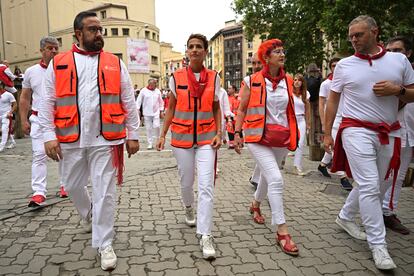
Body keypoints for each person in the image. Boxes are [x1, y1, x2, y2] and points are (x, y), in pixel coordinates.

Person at [39, 11, 140, 271]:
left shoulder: (115, 63)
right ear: (78, 34)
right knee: (71, 185)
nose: (99, 34)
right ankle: (92, 215)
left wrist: (134, 135)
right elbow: (47, 101)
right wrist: (48, 136)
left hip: (106, 139)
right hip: (70, 138)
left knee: (105, 190)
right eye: (93, 29)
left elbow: (128, 100)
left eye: (100, 29)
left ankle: (104, 242)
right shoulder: (59, 62)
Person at [324, 15, 414, 270]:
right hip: (355, 129)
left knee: (381, 184)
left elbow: (412, 92)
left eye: (359, 35)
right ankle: (379, 245)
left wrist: (397, 91)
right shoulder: (344, 65)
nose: (353, 39)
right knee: (369, 183)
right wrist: (329, 133)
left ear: (375, 32)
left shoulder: (399, 60)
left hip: (390, 130)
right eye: (351, 36)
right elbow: (332, 100)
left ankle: (344, 217)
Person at [156, 33, 222, 260]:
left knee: (206, 186)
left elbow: (216, 108)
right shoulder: (176, 77)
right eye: (191, 47)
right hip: (182, 138)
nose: (194, 50)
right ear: (187, 51)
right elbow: (171, 108)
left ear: (205, 52)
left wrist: (220, 133)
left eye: (199, 47)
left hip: (206, 138)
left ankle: (205, 235)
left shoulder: (214, 77)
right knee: (187, 182)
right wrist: (162, 134)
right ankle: (187, 207)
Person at [234, 39, 299, 256]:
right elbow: (241, 109)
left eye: (283, 51)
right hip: (256, 136)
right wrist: (236, 133)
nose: (282, 55)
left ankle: (255, 205)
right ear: (266, 57)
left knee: (265, 176)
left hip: (281, 137)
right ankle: (282, 230)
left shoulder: (288, 81)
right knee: (276, 179)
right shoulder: (250, 80)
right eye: (276, 52)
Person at [20, 36, 69, 206]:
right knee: (39, 155)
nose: (54, 51)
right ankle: (39, 192)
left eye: (56, 48)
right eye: (50, 48)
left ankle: (65, 185)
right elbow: (25, 97)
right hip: (38, 120)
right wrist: (23, 120)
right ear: (42, 51)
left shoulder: (65, 68)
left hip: (62, 120)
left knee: (64, 155)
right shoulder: (31, 72)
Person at [381, 36, 413, 235]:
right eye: (389, 50)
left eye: (398, 50)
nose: (393, 55)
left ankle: (386, 210)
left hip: (410, 131)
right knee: (388, 175)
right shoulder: (386, 76)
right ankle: (384, 212)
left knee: (398, 176)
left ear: (408, 53)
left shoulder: (409, 74)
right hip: (393, 131)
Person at [318, 57, 353, 191]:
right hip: (333, 120)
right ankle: (343, 176)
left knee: (339, 147)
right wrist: (323, 122)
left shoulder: (348, 81)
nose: (336, 67)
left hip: (347, 118)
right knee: (335, 148)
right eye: (333, 65)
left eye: (338, 65)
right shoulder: (326, 84)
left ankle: (322, 165)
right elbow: (321, 104)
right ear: (330, 67)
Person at [245, 53, 263, 189]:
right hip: (253, 128)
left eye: (259, 63)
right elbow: (241, 108)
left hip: (271, 128)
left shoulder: (278, 81)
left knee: (267, 159)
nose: (256, 67)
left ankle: (256, 179)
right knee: (266, 160)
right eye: (254, 63)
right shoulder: (248, 81)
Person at [136, 79, 164, 149]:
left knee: (157, 126)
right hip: (147, 112)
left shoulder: (157, 91)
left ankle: (158, 141)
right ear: (150, 84)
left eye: (156, 85)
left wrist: (161, 111)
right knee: (148, 128)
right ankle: (150, 143)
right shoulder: (143, 91)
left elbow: (161, 101)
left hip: (156, 112)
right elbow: (139, 101)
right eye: (154, 85)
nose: (155, 86)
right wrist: (137, 110)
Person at [292, 73, 310, 175]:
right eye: (295, 80)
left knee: (300, 143)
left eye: (299, 80)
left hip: (301, 120)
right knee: (289, 142)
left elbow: (308, 110)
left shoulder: (306, 93)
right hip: (291, 120)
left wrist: (308, 123)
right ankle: (282, 158)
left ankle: (297, 166)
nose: (296, 82)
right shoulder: (290, 93)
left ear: (302, 82)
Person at [0, 84, 16, 152]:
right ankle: (13, 142)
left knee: (4, 130)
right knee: (7, 130)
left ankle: (1, 146)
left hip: (6, 115)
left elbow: (15, 105)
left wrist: (10, 113)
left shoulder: (8, 94)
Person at [226, 84, 239, 148]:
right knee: (229, 129)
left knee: (238, 129)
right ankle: (231, 143)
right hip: (229, 116)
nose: (228, 90)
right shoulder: (226, 98)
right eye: (228, 88)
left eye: (230, 88)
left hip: (237, 116)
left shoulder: (238, 97)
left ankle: (239, 142)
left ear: (234, 89)